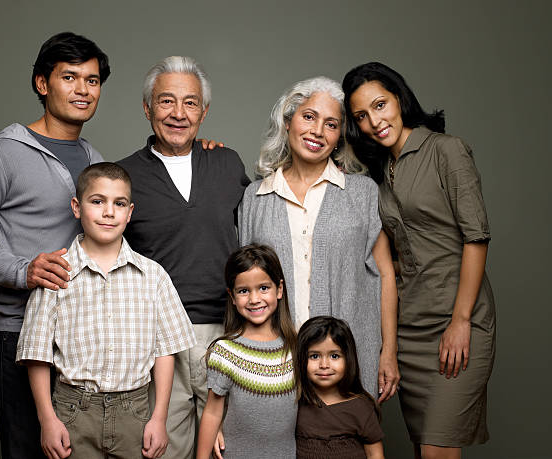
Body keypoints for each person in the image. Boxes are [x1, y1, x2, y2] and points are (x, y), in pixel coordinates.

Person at [0, 32, 110, 458]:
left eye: (92, 81)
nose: (82, 90)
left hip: (82, 339)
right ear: (42, 83)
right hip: (21, 336)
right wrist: (23, 270)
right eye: (69, 77)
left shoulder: (94, 158)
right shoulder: (5, 153)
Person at [343, 62, 496, 459]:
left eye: (380, 105)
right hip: (410, 327)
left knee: (436, 449)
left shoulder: (447, 150)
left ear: (400, 99)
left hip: (457, 321)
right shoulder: (380, 170)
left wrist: (461, 321)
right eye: (361, 115)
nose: (374, 121)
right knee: (420, 448)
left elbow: (476, 237)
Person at [117, 56, 250, 458]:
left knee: (230, 450)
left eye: (190, 103)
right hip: (157, 341)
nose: (178, 114)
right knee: (163, 451)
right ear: (147, 108)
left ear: (204, 111)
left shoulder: (227, 163)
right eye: (166, 102)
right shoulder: (123, 177)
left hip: (227, 335)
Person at [16, 162, 196, 459]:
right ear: (77, 207)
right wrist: (47, 419)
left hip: (134, 412)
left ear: (130, 212)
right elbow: (37, 354)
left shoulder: (153, 275)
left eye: (119, 203)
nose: (109, 212)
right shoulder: (55, 274)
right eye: (97, 201)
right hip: (73, 411)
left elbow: (165, 352)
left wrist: (158, 418)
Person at [238, 76, 399, 400]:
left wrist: (389, 351)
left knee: (345, 446)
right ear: (288, 122)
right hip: (274, 361)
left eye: (330, 124)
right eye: (308, 117)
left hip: (347, 359)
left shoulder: (362, 193)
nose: (317, 131)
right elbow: (244, 284)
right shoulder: (255, 198)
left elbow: (385, 275)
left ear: (340, 136)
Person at [196, 244, 297, 459]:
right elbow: (213, 412)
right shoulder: (225, 351)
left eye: (263, 288)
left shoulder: (296, 347)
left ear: (279, 289)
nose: (254, 299)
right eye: (244, 291)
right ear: (232, 296)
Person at [295, 316, 384, 459]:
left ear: (348, 359)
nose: (324, 365)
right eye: (314, 356)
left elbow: (375, 454)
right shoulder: (295, 405)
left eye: (334, 356)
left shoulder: (361, 407)